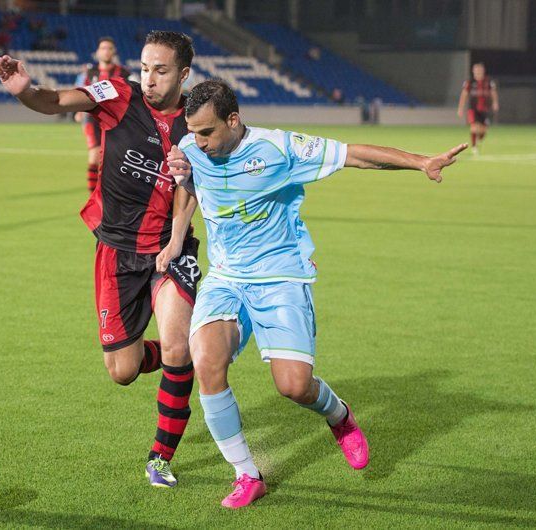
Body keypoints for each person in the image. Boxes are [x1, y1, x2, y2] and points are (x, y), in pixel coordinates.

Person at [158, 79, 467, 508]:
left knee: (294, 386)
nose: (198, 141)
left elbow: (354, 154)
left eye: (207, 132)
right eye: (192, 132)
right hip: (226, 279)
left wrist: (421, 162)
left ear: (233, 120)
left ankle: (339, 415)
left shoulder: (280, 148)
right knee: (207, 362)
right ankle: (247, 474)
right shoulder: (192, 151)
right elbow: (188, 189)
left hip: (281, 276)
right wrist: (176, 239)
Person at [0, 31, 201, 488]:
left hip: (171, 250)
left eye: (160, 70)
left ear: (183, 74)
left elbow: (200, 186)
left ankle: (161, 457)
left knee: (177, 345)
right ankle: (174, 365)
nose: (148, 78)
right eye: (145, 68)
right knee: (123, 371)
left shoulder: (198, 118)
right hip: (116, 249)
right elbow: (56, 100)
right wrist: (25, 91)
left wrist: (177, 240)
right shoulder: (119, 94)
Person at [75, 36, 132, 193]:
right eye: (103, 48)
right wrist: (79, 110)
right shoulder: (90, 72)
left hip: (116, 120)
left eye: (109, 48)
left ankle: (109, 192)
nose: (106, 51)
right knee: (94, 155)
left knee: (113, 158)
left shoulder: (124, 73)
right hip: (92, 119)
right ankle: (94, 195)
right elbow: (83, 92)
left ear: (114, 52)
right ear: (98, 52)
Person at [457, 62, 498, 155]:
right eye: (476, 70)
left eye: (480, 70)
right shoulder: (469, 82)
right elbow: (464, 95)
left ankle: (478, 139)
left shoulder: (489, 81)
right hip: (473, 109)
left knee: (484, 131)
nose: (478, 72)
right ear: (473, 71)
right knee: (474, 128)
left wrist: (495, 103)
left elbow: (493, 92)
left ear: (483, 71)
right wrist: (460, 108)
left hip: (485, 109)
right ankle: (474, 147)